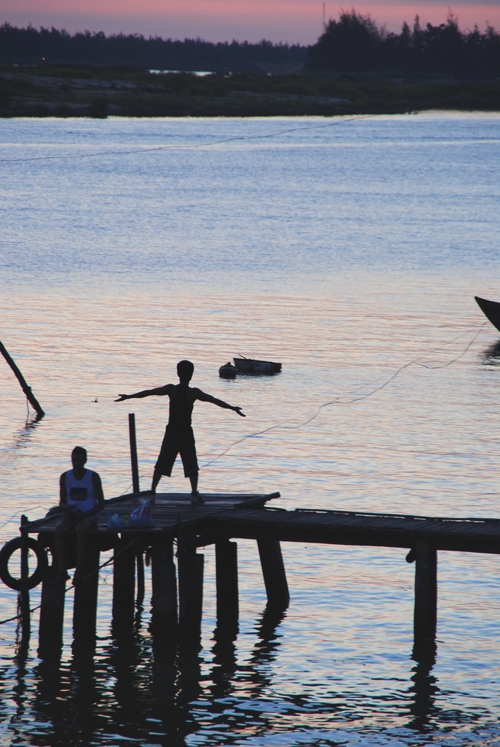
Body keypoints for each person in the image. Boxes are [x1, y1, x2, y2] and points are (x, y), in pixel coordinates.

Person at [115, 359, 245, 502]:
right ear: (192, 375)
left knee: (163, 461)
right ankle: (194, 494)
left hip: (172, 432)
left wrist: (129, 396)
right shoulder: (193, 393)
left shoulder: (172, 390)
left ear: (178, 373)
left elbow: (149, 392)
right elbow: (214, 400)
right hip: (185, 432)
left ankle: (152, 493)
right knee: (190, 463)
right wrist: (232, 408)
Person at [54, 446, 105, 584]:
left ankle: (79, 570)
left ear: (85, 461)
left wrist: (86, 514)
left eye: (80, 460)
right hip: (71, 513)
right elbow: (62, 502)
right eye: (74, 460)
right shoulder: (65, 477)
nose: (76, 463)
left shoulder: (93, 477)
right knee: (59, 530)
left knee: (80, 529)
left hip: (88, 514)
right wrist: (66, 508)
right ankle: (62, 570)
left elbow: (101, 504)